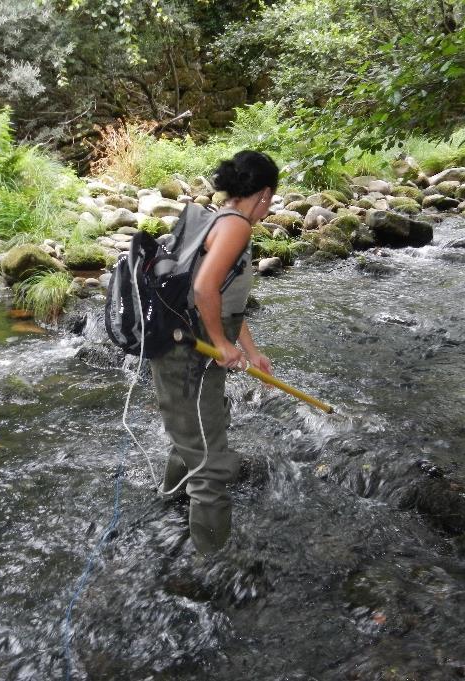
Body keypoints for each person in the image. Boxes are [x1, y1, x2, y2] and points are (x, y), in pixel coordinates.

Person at [150, 150, 279, 554]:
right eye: (270, 199)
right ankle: (213, 562)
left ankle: (168, 503)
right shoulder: (237, 227)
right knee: (209, 456)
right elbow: (205, 288)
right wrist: (221, 345)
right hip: (190, 352)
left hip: (186, 346)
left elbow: (224, 301)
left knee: (194, 427)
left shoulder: (215, 217)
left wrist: (250, 351)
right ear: (264, 193)